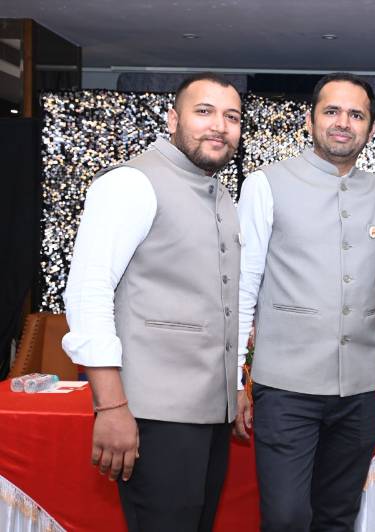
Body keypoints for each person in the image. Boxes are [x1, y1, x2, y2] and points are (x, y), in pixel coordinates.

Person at [61, 72, 242, 532]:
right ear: (172, 120)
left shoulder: (219, 194)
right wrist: (111, 406)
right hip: (153, 415)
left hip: (209, 412)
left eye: (231, 117)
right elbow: (88, 291)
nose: (219, 126)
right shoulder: (132, 182)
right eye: (204, 112)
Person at [235, 72, 375, 532]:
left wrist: (356, 324)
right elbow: (243, 285)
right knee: (286, 516)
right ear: (310, 120)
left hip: (360, 390)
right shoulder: (266, 184)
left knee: (338, 515)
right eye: (332, 111)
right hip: (286, 389)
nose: (343, 123)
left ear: (370, 127)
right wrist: (233, 378)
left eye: (356, 114)